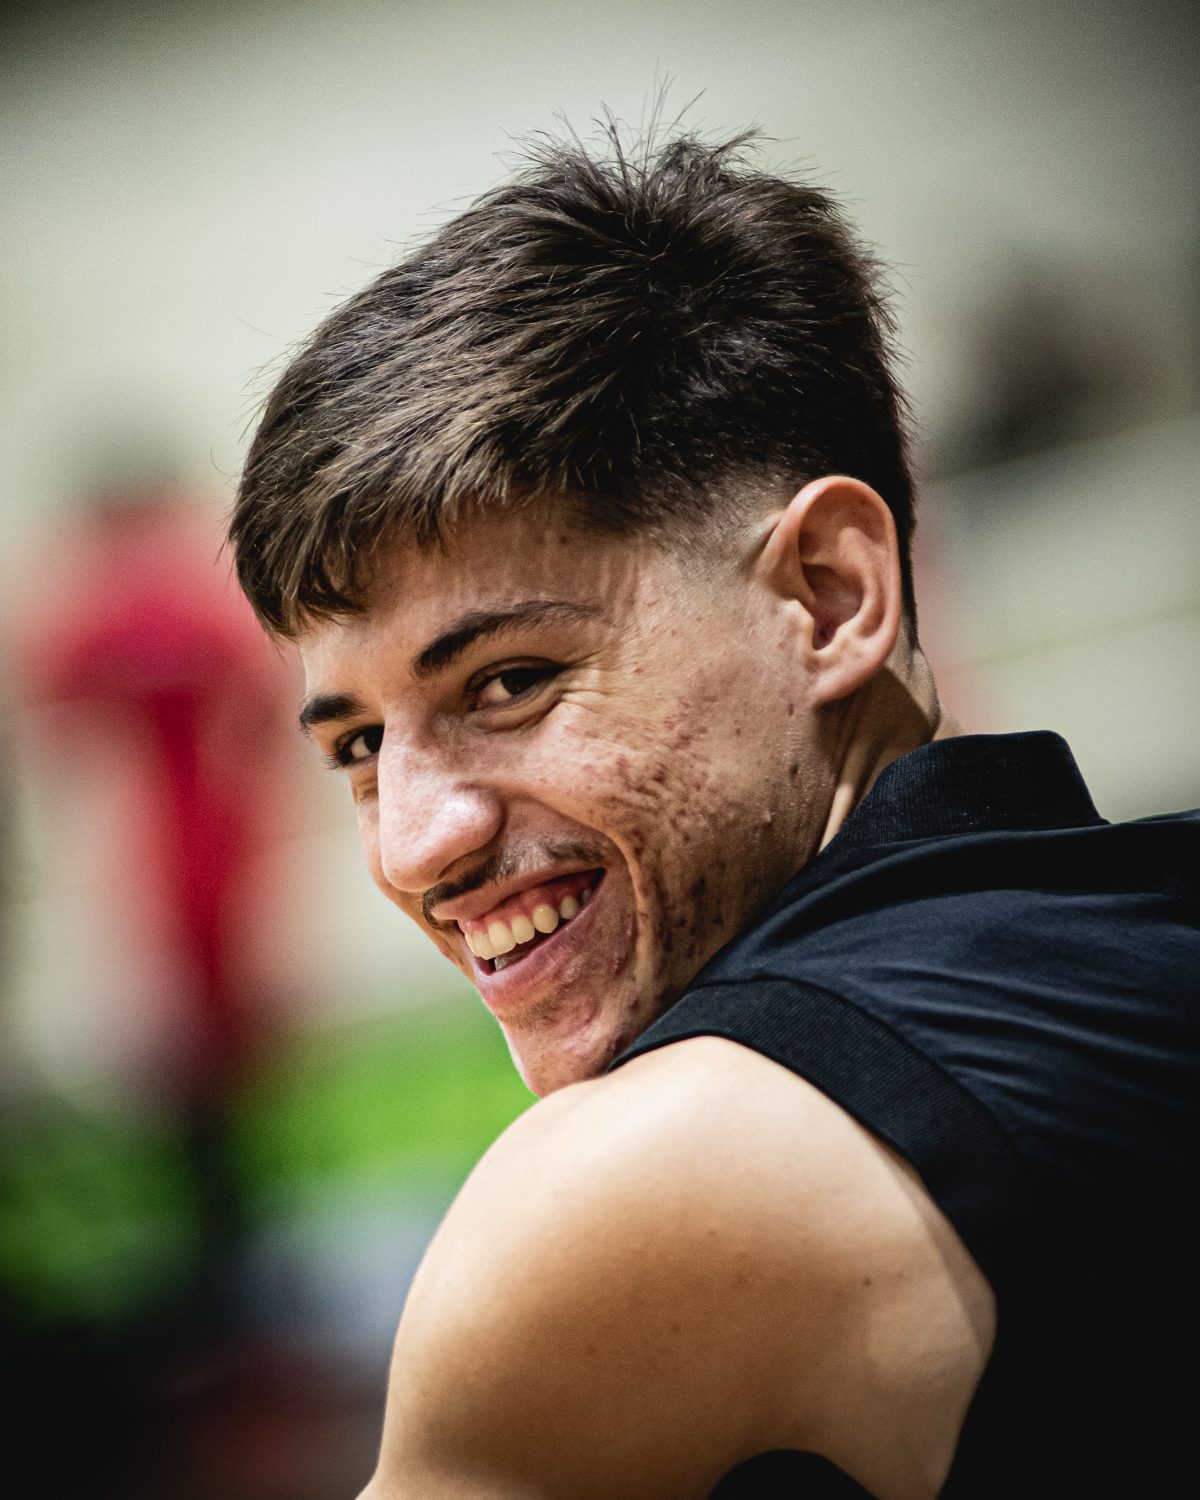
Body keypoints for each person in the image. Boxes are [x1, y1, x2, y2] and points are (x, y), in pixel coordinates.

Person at [228, 129, 1198, 1498]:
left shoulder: (638, 1182)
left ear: (831, 597)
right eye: (361, 747)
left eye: (511, 681)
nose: (415, 843)